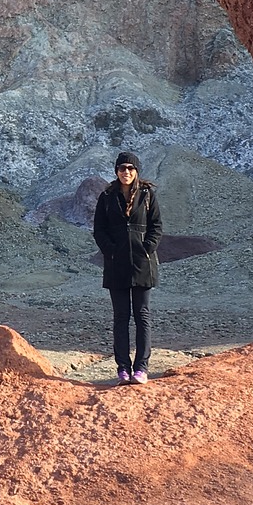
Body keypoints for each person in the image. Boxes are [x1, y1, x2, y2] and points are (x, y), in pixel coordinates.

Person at [93, 150, 163, 385]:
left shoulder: (147, 195)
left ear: (136, 171)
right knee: (121, 317)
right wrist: (110, 250)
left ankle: (141, 368)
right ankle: (123, 368)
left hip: (143, 264)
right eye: (122, 168)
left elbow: (156, 225)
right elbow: (99, 230)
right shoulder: (106, 196)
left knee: (142, 316)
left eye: (130, 168)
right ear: (116, 171)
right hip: (116, 265)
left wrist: (148, 247)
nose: (126, 172)